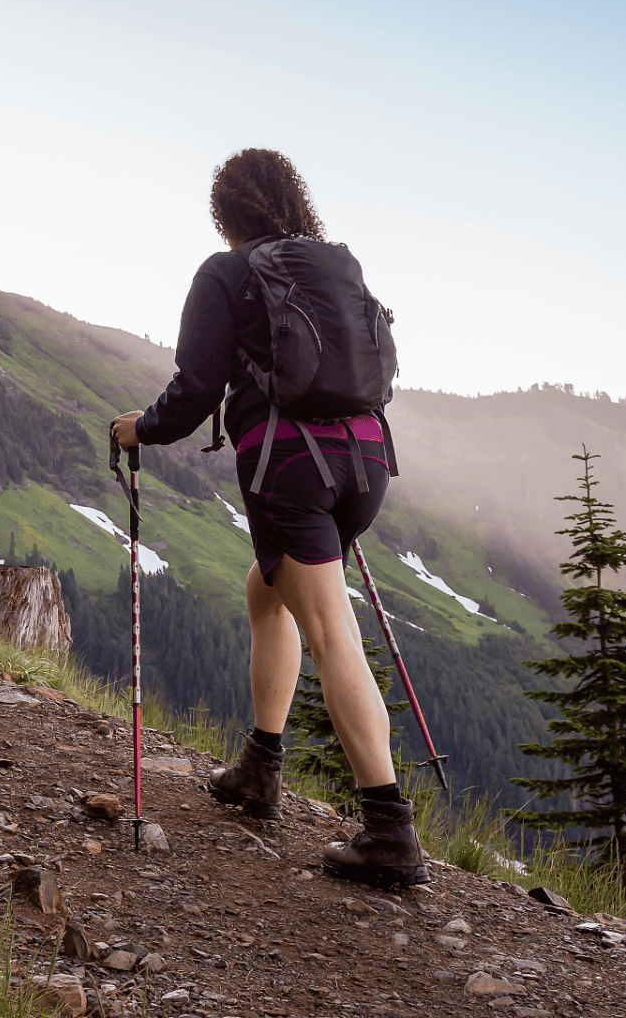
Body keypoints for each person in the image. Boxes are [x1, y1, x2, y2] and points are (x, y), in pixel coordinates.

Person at [110, 148, 425, 888]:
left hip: (292, 464)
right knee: (268, 588)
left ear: (226, 212)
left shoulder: (224, 274)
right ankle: (261, 764)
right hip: (368, 457)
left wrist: (138, 430)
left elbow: (194, 391)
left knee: (328, 629)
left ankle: (390, 832)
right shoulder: (334, 264)